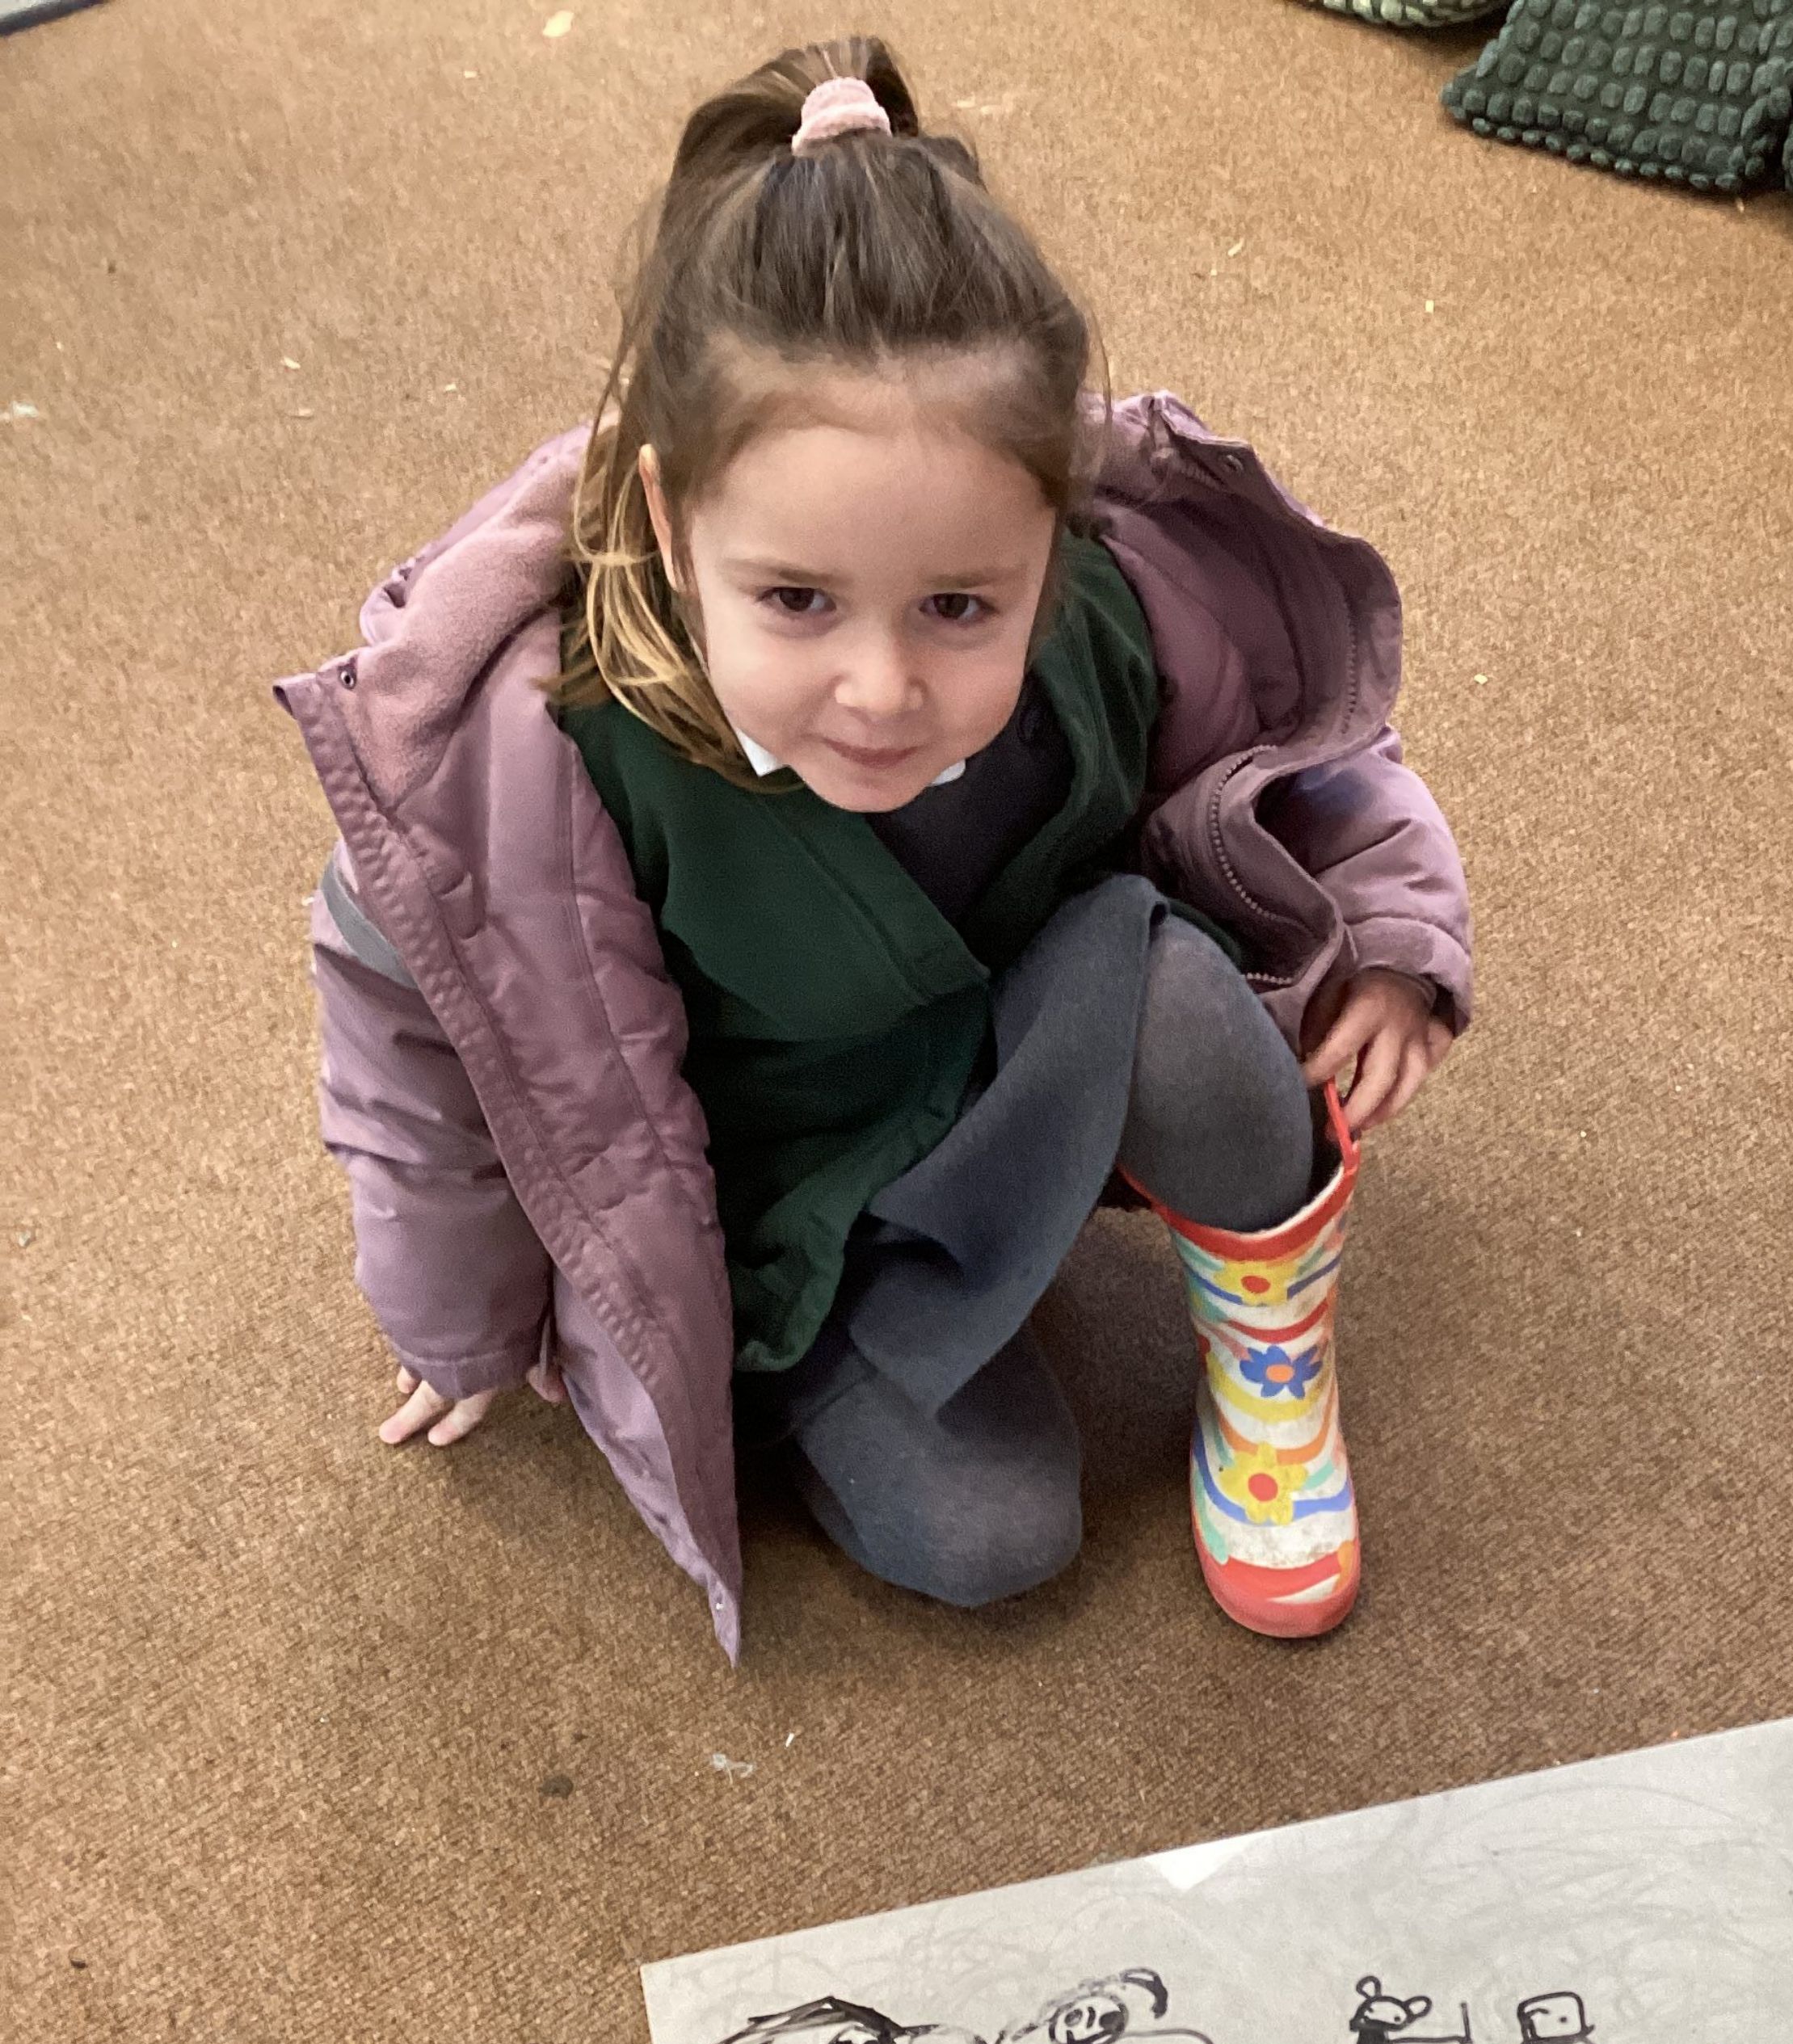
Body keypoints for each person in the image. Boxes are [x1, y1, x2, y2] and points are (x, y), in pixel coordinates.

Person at [278, 38, 1471, 1656]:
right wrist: (459, 1317)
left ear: (1057, 534)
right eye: (797, 600)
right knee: (989, 1537)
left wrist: (1395, 938)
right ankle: (915, 1324)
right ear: (670, 520)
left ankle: (1273, 1346)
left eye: (961, 605)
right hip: (790, 1221)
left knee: (1176, 997)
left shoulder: (1115, 612)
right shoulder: (536, 763)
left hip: (1015, 1059)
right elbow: (413, 1062)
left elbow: (1305, 747)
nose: (883, 689)